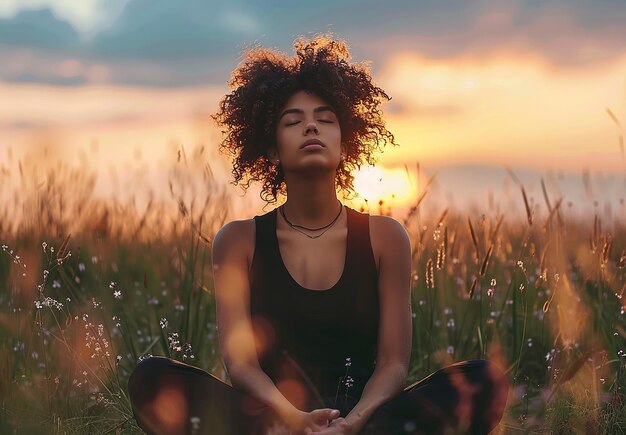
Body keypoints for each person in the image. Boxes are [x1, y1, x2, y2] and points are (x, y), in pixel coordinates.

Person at [128, 35, 509, 435]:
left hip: (366, 422)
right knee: (152, 378)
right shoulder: (238, 241)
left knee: (485, 379)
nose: (311, 125)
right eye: (292, 121)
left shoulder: (385, 237)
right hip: (273, 420)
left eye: (325, 119)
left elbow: (394, 365)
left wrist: (353, 423)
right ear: (272, 151)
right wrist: (292, 419)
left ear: (344, 145)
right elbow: (240, 365)